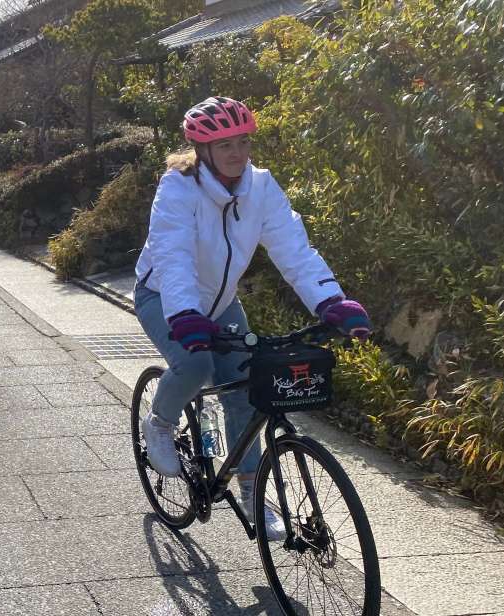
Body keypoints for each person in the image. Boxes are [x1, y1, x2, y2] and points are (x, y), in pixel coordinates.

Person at [134, 96, 372, 539]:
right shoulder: (178, 188)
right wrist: (185, 312)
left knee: (246, 392)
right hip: (164, 296)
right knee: (196, 365)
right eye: (224, 145)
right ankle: (160, 423)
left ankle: (251, 492)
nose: (236, 153)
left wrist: (330, 302)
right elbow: (173, 253)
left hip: (221, 304)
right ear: (202, 150)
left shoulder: (260, 187)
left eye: (242, 142)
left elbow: (293, 248)